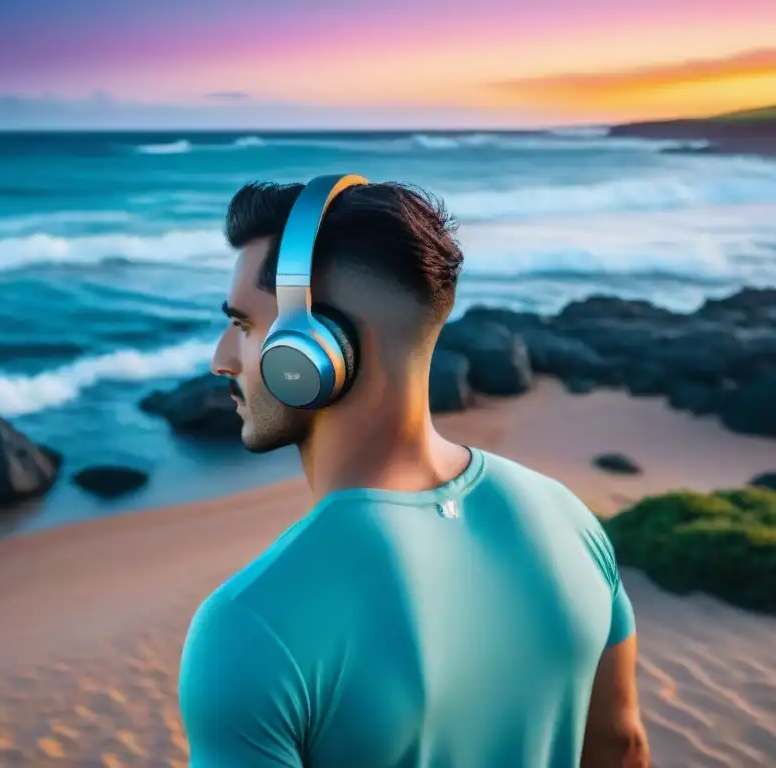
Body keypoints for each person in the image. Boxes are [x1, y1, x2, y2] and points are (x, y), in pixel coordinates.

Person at [178, 178, 650, 767]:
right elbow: (621, 746)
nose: (220, 358)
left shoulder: (249, 627)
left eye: (245, 327)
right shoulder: (568, 516)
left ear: (312, 353)